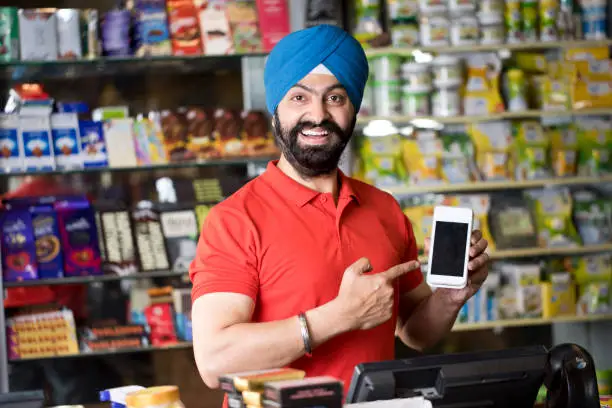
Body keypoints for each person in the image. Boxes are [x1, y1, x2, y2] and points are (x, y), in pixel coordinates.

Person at [189, 24, 489, 396]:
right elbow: (214, 362)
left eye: (335, 98)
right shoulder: (235, 220)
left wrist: (450, 297)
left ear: (353, 109)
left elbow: (415, 332)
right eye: (299, 98)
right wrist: (338, 317)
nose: (318, 115)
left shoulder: (384, 209)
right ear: (275, 110)